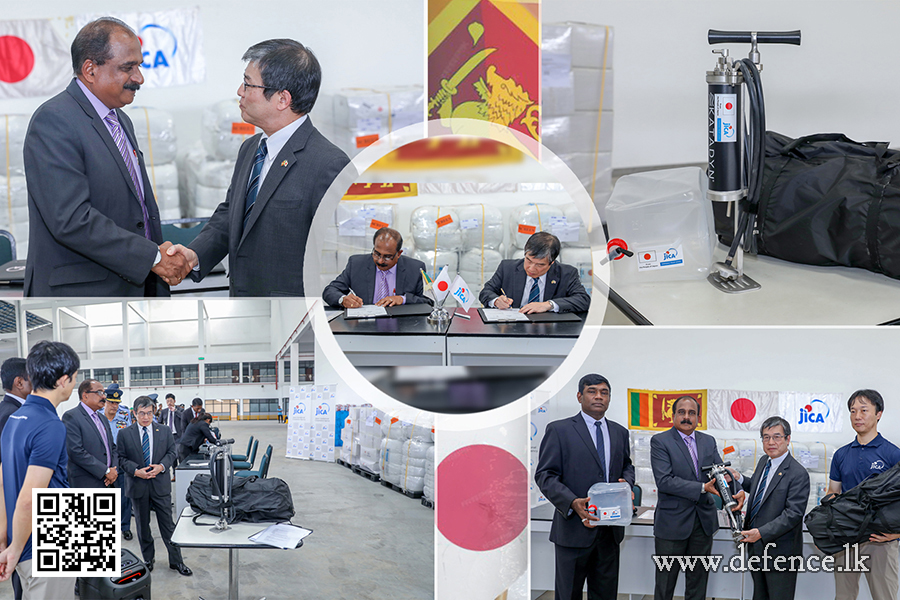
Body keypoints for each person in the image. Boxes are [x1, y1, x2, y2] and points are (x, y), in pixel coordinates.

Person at [166, 38, 352, 296]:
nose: (240, 91)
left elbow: (334, 256)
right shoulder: (251, 148)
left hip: (292, 316)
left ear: (282, 99)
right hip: (245, 303)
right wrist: (194, 254)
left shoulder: (329, 165)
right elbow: (232, 214)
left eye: (248, 83)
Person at [22, 17, 189, 297]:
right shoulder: (54, 121)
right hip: (83, 296)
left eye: (139, 66)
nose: (139, 78)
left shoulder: (120, 120)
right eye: (128, 68)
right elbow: (72, 219)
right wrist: (154, 257)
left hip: (135, 285)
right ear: (90, 69)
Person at [534, 374, 635, 600]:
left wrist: (626, 483)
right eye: (592, 391)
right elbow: (545, 475)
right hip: (573, 530)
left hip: (610, 531)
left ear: (609, 398)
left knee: (606, 594)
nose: (599, 396)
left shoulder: (620, 432)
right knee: (568, 594)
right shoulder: (559, 430)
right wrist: (571, 502)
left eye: (604, 392)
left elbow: (627, 465)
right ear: (580, 396)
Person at [0, 341, 80, 598]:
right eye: (75, 378)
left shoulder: (15, 419)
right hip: (47, 544)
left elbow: (2, 482)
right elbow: (29, 500)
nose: (74, 385)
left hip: (23, 540)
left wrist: (6, 540)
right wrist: (14, 549)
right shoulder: (50, 424)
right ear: (64, 380)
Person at [650, 395, 745, 600]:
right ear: (673, 415)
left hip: (702, 523)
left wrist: (734, 489)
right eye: (682, 412)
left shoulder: (707, 441)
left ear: (698, 417)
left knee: (698, 584)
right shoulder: (660, 441)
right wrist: (702, 487)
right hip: (672, 524)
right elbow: (665, 481)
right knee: (665, 584)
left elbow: (720, 473)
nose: (687, 417)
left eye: (692, 413)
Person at [826, 389, 900, 600]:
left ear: (879, 414)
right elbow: (833, 492)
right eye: (853, 411)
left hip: (880, 542)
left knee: (884, 596)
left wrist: (897, 534)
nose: (857, 416)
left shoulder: (893, 454)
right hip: (847, 539)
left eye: (864, 410)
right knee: (844, 596)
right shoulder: (841, 454)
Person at [734, 416, 810, 600]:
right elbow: (761, 489)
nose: (771, 442)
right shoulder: (764, 462)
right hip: (757, 548)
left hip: (781, 552)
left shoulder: (798, 474)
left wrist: (760, 532)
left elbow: (793, 514)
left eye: (777, 437)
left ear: (788, 439)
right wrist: (740, 479)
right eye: (766, 437)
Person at [117, 396, 191, 576]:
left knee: (168, 525)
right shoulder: (125, 434)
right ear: (134, 413)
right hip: (138, 484)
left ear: (153, 413)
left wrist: (162, 466)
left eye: (149, 413)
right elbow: (120, 459)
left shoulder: (164, 431)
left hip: (160, 485)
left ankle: (176, 561)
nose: (145, 417)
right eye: (141, 413)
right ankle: (148, 559)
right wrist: (136, 471)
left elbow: (172, 452)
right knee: (143, 526)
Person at [479, 232, 590, 314]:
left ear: (551, 263)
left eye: (540, 265)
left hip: (550, 331)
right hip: (514, 329)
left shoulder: (567, 273)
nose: (531, 268)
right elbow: (486, 291)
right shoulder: (507, 268)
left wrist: (548, 305)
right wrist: (496, 301)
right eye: (528, 260)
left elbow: (583, 300)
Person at [323, 227, 431, 308]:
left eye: (387, 257)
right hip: (365, 325)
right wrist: (343, 299)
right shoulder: (357, 264)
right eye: (377, 254)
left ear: (399, 254)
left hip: (401, 326)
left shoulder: (415, 268)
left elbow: (427, 302)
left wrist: (402, 299)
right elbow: (330, 290)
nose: (380, 261)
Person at [0, 358, 29, 600]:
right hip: (18, 504)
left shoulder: (10, 410)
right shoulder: (15, 415)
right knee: (23, 570)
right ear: (19, 382)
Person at [62, 379, 117, 489]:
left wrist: (113, 470)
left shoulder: (102, 418)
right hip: (86, 482)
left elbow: (112, 447)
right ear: (85, 395)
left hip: (108, 481)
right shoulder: (71, 417)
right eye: (99, 393)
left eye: (104, 393)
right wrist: (105, 470)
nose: (104, 397)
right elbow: (75, 451)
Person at [102, 384, 133, 541]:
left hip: (120, 463)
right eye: (111, 402)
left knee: (124, 497)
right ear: (105, 402)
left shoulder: (124, 417)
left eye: (117, 403)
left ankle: (125, 526)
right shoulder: (97, 417)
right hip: (103, 464)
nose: (114, 406)